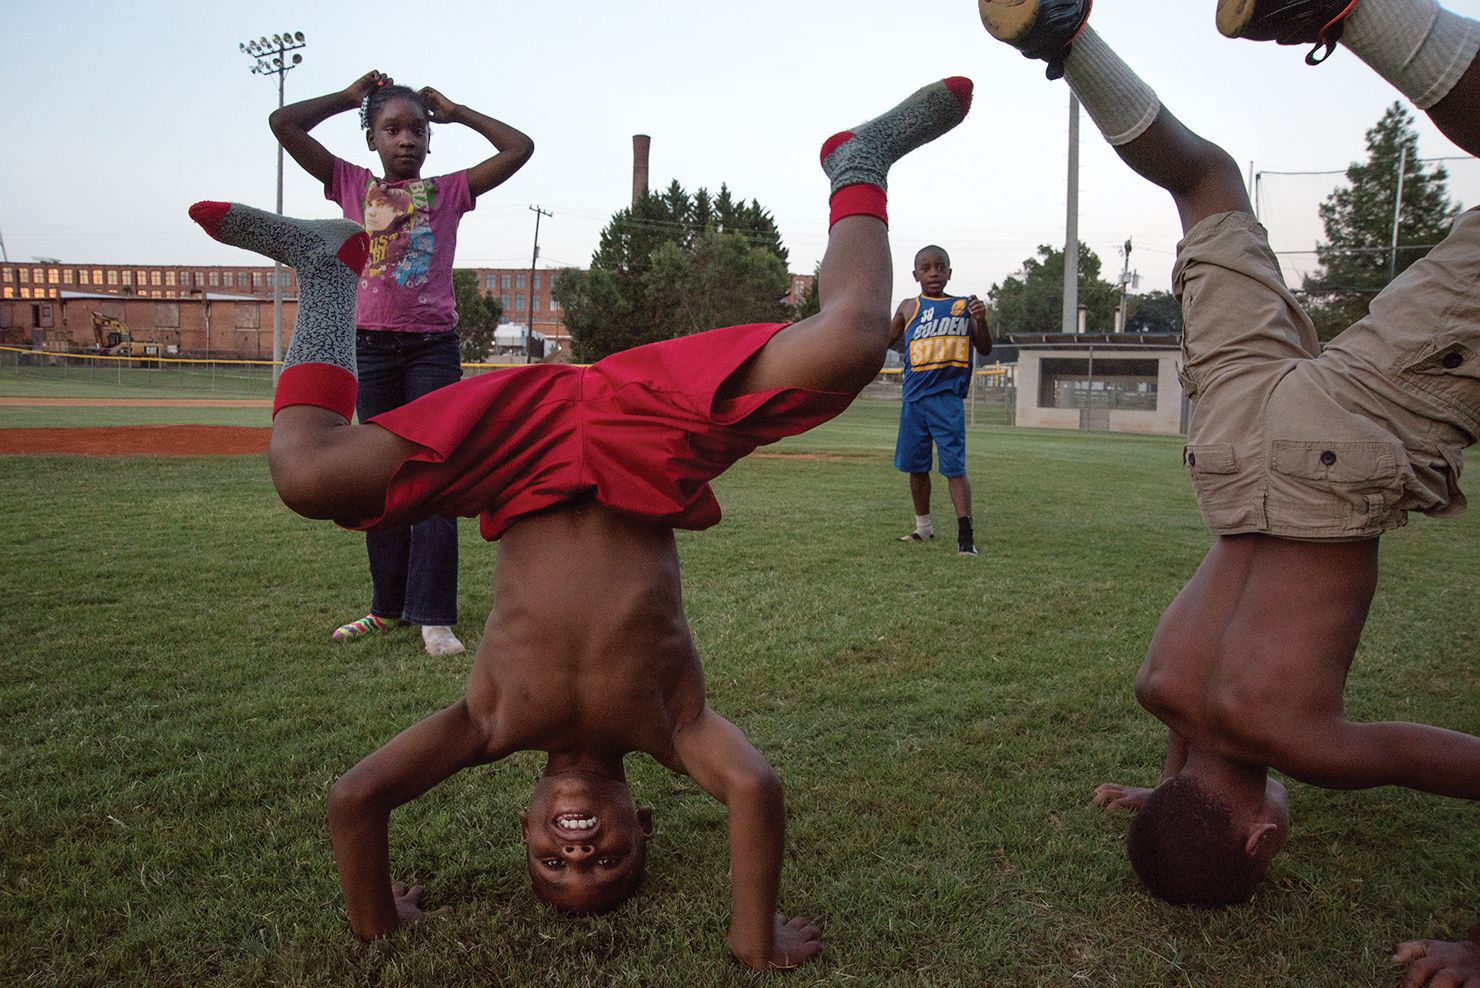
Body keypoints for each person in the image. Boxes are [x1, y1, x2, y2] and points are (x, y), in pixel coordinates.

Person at [190, 75, 974, 969]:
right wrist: (753, 942)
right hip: (648, 443)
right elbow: (754, 788)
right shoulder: (673, 732)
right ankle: (858, 164)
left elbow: (355, 799)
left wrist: (375, 919)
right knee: (853, 341)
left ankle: (325, 276)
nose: (575, 850)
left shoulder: (487, 722)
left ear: (520, 821)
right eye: (604, 861)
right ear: (642, 822)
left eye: (551, 862)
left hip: (513, 455)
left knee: (305, 475)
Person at [980, 0, 1480, 981]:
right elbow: (1189, 740)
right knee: (1206, 185)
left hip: (1339, 448)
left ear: (1263, 839)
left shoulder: (1303, 741)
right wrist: (1161, 794)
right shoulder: (1159, 687)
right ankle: (1064, 38)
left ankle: (1357, 5)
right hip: (1233, 443)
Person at [270, 70, 535, 657]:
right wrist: (344, 98)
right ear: (372, 139)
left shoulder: (449, 192)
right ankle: (386, 608)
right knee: (376, 479)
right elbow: (283, 124)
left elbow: (519, 148)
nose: (406, 139)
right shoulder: (349, 183)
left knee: (433, 476)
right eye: (391, 129)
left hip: (431, 350)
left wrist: (460, 110)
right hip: (368, 347)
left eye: (417, 129)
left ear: (430, 139)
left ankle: (434, 616)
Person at [889, 245, 992, 555]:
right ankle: (924, 527)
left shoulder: (964, 306)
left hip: (946, 400)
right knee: (915, 466)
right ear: (916, 274)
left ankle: (966, 538)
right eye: (926, 268)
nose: (933, 272)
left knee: (954, 468)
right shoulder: (908, 307)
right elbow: (886, 340)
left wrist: (982, 320)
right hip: (914, 400)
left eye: (940, 267)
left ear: (949, 272)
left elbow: (984, 347)